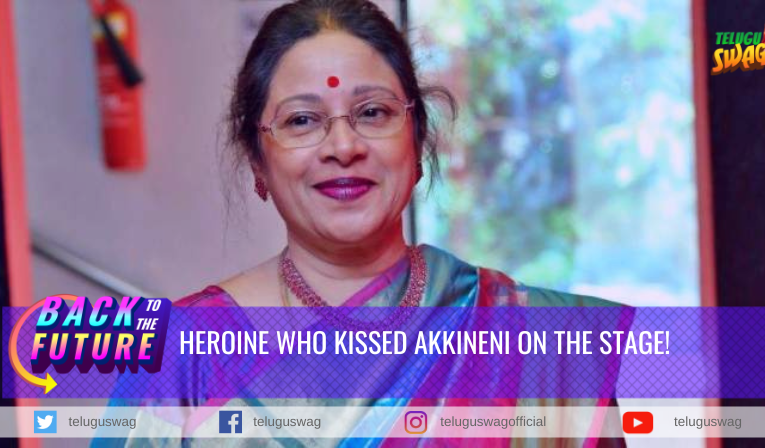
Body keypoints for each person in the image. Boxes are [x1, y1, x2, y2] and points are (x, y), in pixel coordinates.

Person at [94, 0, 627, 446]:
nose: (343, 146)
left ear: (417, 140)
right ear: (258, 161)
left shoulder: (545, 348)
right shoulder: (181, 360)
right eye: (302, 120)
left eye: (373, 112)